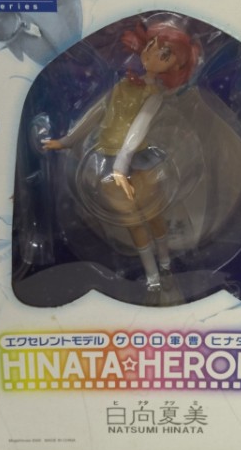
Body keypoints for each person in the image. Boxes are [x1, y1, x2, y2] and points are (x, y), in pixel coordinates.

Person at [43, 19, 200, 292]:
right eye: (152, 45)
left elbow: (137, 131)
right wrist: (68, 140)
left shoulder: (154, 95)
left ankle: (165, 264)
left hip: (136, 160)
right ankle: (152, 275)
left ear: (174, 68)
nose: (152, 53)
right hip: (107, 157)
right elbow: (97, 112)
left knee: (152, 216)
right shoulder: (124, 85)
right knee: (132, 221)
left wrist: (120, 166)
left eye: (164, 54)